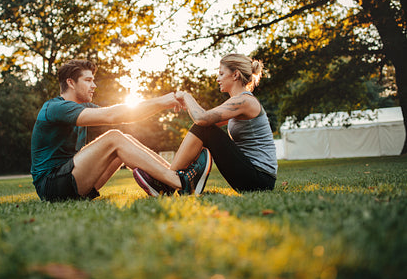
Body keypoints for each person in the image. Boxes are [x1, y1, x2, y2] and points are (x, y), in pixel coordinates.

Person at [30, 59, 212, 201]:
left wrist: (164, 103)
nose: (94, 85)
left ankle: (170, 178)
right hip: (51, 185)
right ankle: (181, 182)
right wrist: (162, 101)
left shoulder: (83, 108)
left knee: (123, 138)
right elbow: (112, 116)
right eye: (88, 80)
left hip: (72, 181)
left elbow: (127, 115)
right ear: (70, 82)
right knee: (114, 138)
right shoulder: (55, 108)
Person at [133, 53, 277, 195]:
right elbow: (204, 123)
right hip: (255, 177)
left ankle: (167, 181)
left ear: (235, 75)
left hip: (260, 179)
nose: (217, 78)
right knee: (204, 129)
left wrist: (186, 96)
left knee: (204, 128)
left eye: (221, 74)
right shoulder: (239, 102)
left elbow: (202, 119)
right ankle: (179, 179)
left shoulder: (244, 101)